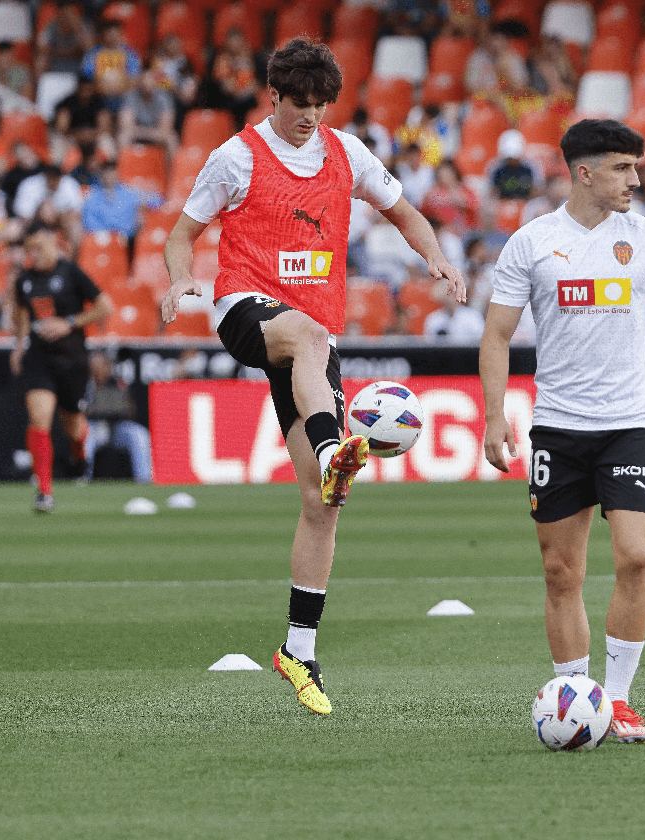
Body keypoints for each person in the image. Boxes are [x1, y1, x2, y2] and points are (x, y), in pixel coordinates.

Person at [159, 38, 465, 716]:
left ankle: (299, 649)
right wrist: (182, 278)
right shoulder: (235, 157)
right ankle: (334, 448)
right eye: (300, 106)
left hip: (310, 347)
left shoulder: (348, 153)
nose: (311, 118)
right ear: (274, 96)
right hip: (247, 310)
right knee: (307, 337)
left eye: (321, 106)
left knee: (323, 503)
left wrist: (437, 257)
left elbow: (405, 212)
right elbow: (181, 233)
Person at [480, 118, 645, 744]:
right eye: (623, 168)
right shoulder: (531, 243)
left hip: (630, 422)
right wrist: (495, 415)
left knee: (635, 556)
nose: (636, 179)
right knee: (562, 572)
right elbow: (497, 334)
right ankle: (573, 696)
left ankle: (620, 699)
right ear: (584, 173)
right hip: (558, 427)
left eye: (637, 168)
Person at [9, 221, 113, 513]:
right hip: (39, 359)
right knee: (39, 416)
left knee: (73, 426)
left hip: (72, 361)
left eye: (40, 247)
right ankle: (44, 491)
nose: (35, 253)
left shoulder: (71, 272)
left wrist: (68, 323)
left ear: (54, 244)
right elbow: (20, 313)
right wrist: (19, 345)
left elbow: (105, 307)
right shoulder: (24, 280)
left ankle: (80, 457)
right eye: (31, 248)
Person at [84, 350, 152, 482]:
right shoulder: (85, 383)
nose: (99, 370)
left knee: (139, 434)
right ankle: (83, 477)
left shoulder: (118, 382)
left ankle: (144, 481)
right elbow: (82, 412)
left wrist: (111, 405)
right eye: (95, 366)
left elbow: (130, 410)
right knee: (86, 436)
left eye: (103, 365)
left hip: (117, 427)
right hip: (95, 428)